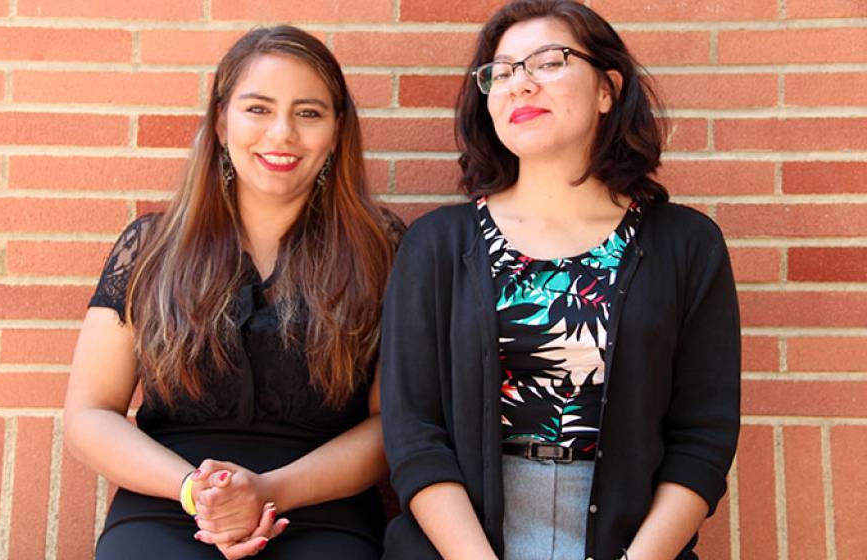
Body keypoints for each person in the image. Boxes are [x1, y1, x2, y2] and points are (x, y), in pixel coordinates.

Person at [379, 1, 740, 559]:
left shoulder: (686, 244)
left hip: (629, 538)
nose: (519, 85)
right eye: (501, 72)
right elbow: (414, 433)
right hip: (461, 541)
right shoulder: (437, 245)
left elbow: (703, 438)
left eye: (548, 62)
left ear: (607, 89)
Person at [64, 25, 403, 560]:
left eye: (309, 113)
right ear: (221, 122)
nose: (283, 133)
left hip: (323, 507)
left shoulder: (381, 251)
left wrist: (268, 492)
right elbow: (90, 413)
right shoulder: (151, 247)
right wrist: (196, 492)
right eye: (258, 109)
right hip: (168, 502)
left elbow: (393, 425)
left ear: (338, 130)